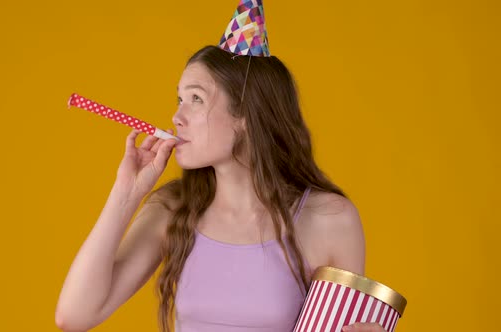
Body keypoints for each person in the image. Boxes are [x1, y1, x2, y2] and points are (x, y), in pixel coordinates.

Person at [56, 2, 390, 332]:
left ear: (245, 115)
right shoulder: (172, 210)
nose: (177, 117)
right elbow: (75, 316)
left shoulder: (330, 220)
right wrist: (126, 195)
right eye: (179, 99)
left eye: (196, 99)